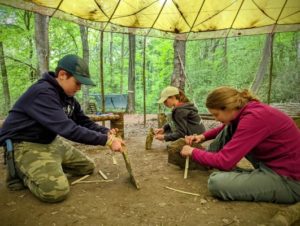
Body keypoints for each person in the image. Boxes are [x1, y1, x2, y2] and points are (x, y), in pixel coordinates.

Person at [0, 54, 124, 203]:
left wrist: (105, 132)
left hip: (50, 141)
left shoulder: (67, 96)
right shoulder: (43, 93)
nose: (79, 88)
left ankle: (50, 166)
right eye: (77, 83)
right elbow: (68, 129)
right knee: (55, 192)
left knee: (87, 167)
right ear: (62, 75)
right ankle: (21, 175)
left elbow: (82, 121)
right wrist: (107, 141)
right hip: (25, 144)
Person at [181, 86, 300, 204]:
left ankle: (213, 161)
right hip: (273, 164)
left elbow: (225, 162)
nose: (215, 119)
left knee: (216, 183)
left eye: (216, 114)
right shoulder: (248, 110)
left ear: (227, 108)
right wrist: (203, 137)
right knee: (230, 127)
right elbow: (225, 127)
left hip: (290, 179)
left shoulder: (254, 118)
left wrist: (192, 152)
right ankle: (209, 160)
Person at [154, 86, 206, 168]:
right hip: (199, 134)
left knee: (172, 149)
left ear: (173, 97)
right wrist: (163, 129)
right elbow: (174, 122)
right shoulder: (183, 106)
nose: (164, 103)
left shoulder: (179, 110)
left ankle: (195, 158)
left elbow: (181, 133)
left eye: (165, 100)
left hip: (195, 137)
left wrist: (164, 137)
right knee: (170, 130)